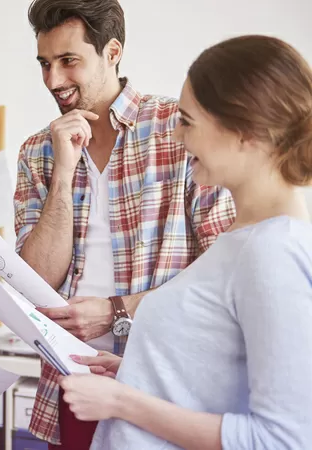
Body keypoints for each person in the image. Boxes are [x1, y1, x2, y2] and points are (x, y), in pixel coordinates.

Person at [59, 34, 312, 450]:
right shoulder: (241, 241)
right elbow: (217, 380)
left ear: (246, 132)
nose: (176, 137)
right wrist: (135, 370)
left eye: (188, 123)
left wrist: (124, 402)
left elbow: (280, 439)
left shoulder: (273, 252)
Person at [13, 0, 236, 447]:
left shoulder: (178, 128)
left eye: (68, 61)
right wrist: (62, 173)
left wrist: (116, 311)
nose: (53, 80)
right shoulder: (38, 149)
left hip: (169, 379)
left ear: (112, 51)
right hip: (73, 381)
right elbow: (34, 278)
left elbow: (224, 268)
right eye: (44, 63)